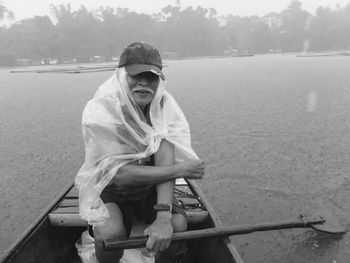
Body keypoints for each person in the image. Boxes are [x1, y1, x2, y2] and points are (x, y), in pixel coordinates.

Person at [75, 41, 205, 263]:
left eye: (152, 77)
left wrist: (163, 216)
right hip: (112, 189)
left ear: (159, 80)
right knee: (109, 234)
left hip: (148, 189)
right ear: (122, 75)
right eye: (136, 76)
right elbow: (120, 174)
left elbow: (165, 163)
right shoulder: (102, 111)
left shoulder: (163, 107)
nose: (144, 83)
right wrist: (182, 169)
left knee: (177, 225)